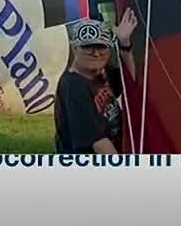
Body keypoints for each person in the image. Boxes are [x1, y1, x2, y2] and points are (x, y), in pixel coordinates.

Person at [54, 8, 139, 154]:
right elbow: (99, 143)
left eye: (101, 47)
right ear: (75, 49)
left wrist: (124, 43)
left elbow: (129, 81)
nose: (96, 53)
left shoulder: (100, 73)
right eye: (88, 47)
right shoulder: (73, 86)